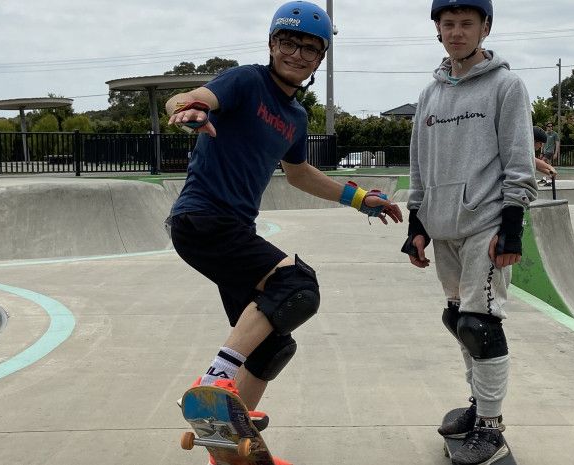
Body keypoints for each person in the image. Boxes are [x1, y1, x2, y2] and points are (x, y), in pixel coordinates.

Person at [164, 2, 403, 463]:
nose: (297, 54)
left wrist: (360, 199)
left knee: (274, 344)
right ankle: (215, 380)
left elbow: (299, 174)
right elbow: (193, 96)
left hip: (230, 229)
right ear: (272, 44)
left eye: (310, 49)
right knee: (297, 285)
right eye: (288, 43)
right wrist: (190, 107)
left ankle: (227, 446)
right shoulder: (245, 82)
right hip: (203, 220)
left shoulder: (295, 117)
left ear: (320, 59)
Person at [403, 1, 538, 464]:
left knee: (480, 325)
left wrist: (513, 226)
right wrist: (416, 222)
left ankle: (490, 426)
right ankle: (478, 404)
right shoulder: (430, 95)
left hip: (486, 223)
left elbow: (520, 162)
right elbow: (420, 165)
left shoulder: (506, 86)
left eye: (466, 24)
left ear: (485, 27)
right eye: (448, 24)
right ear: (437, 30)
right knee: (459, 321)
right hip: (444, 228)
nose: (456, 32)